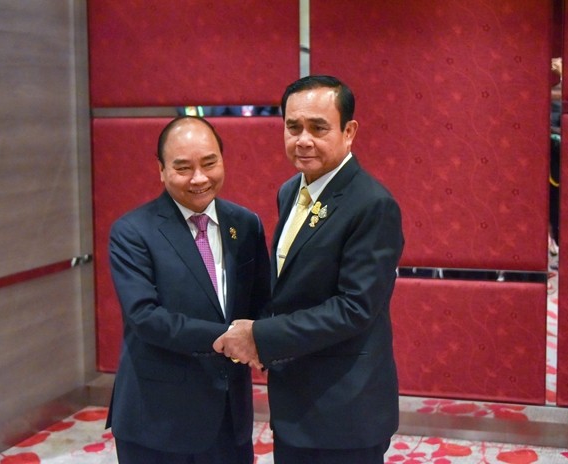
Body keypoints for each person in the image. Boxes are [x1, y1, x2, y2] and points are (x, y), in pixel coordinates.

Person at [214, 75, 405, 463]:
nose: (303, 140)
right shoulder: (290, 191)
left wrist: (260, 336)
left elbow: (354, 308)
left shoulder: (372, 205)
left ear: (349, 132)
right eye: (293, 127)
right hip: (295, 398)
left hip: (345, 405)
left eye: (318, 128)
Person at [106, 116, 270, 464]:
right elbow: (144, 317)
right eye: (183, 168)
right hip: (158, 419)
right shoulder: (132, 232)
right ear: (161, 170)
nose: (199, 178)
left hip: (230, 416)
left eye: (209, 163)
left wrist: (270, 339)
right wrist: (230, 337)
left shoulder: (245, 224)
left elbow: (260, 303)